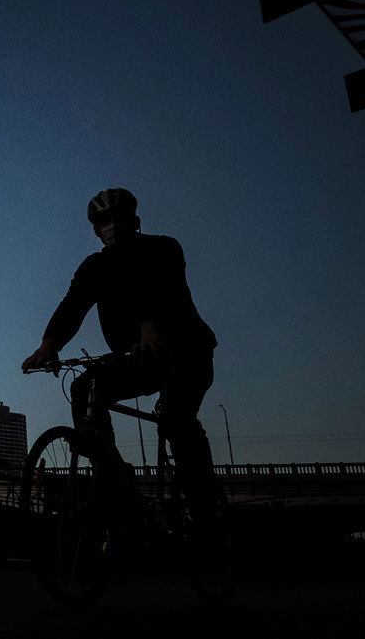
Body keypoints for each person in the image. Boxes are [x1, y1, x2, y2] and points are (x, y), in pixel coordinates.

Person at [21, 187, 222, 509]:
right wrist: (49, 344)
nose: (111, 225)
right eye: (104, 221)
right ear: (96, 229)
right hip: (140, 358)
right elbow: (72, 305)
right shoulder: (94, 267)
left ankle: (205, 507)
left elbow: (162, 285)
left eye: (118, 218)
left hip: (187, 352)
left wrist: (148, 323)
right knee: (86, 387)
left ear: (135, 220)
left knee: (176, 419)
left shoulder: (163, 248)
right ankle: (113, 477)